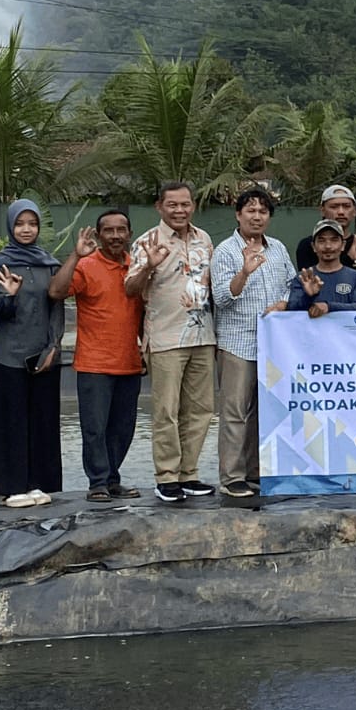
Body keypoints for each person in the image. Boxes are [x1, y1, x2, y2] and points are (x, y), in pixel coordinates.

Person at [125, 180, 216, 505]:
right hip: (165, 338)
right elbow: (130, 289)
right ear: (159, 206)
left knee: (202, 409)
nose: (180, 210)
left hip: (203, 335)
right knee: (167, 411)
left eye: (185, 204)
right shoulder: (146, 242)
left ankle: (189, 474)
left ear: (193, 205)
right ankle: (166, 477)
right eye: (173, 204)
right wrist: (149, 265)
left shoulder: (204, 239)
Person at [48, 209, 146, 502]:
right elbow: (55, 291)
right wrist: (75, 256)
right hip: (95, 364)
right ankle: (98, 483)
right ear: (98, 235)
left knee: (123, 429)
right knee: (95, 428)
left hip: (130, 362)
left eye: (121, 230)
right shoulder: (87, 265)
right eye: (108, 230)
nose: (115, 236)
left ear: (129, 233)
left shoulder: (138, 267)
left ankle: (113, 478)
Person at [212, 186, 296, 499]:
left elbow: (292, 285)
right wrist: (244, 273)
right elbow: (222, 297)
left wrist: (285, 303)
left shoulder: (278, 249)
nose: (256, 216)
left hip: (273, 345)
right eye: (251, 210)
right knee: (235, 412)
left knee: (264, 412)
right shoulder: (225, 251)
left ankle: (255, 472)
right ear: (238, 215)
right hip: (238, 343)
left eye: (262, 211)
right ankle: (232, 477)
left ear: (269, 217)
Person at [0, 199, 65, 508]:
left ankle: (36, 483)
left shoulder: (50, 263)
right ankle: (10, 487)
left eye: (32, 224)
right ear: (11, 227)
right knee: (9, 423)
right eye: (20, 224)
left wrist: (54, 346)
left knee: (41, 421)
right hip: (6, 357)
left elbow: (57, 308)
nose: (26, 229)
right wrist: (10, 295)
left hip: (42, 355)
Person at [295, 184, 356, 307]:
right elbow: (313, 284)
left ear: (355, 211)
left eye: (346, 206)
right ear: (323, 210)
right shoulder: (307, 246)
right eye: (334, 207)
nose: (341, 212)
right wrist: (348, 257)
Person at [282, 220, 356, 314]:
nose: (328, 246)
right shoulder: (303, 278)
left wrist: (329, 306)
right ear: (313, 246)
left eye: (334, 240)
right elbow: (291, 311)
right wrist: (308, 296)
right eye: (321, 240)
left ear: (343, 245)